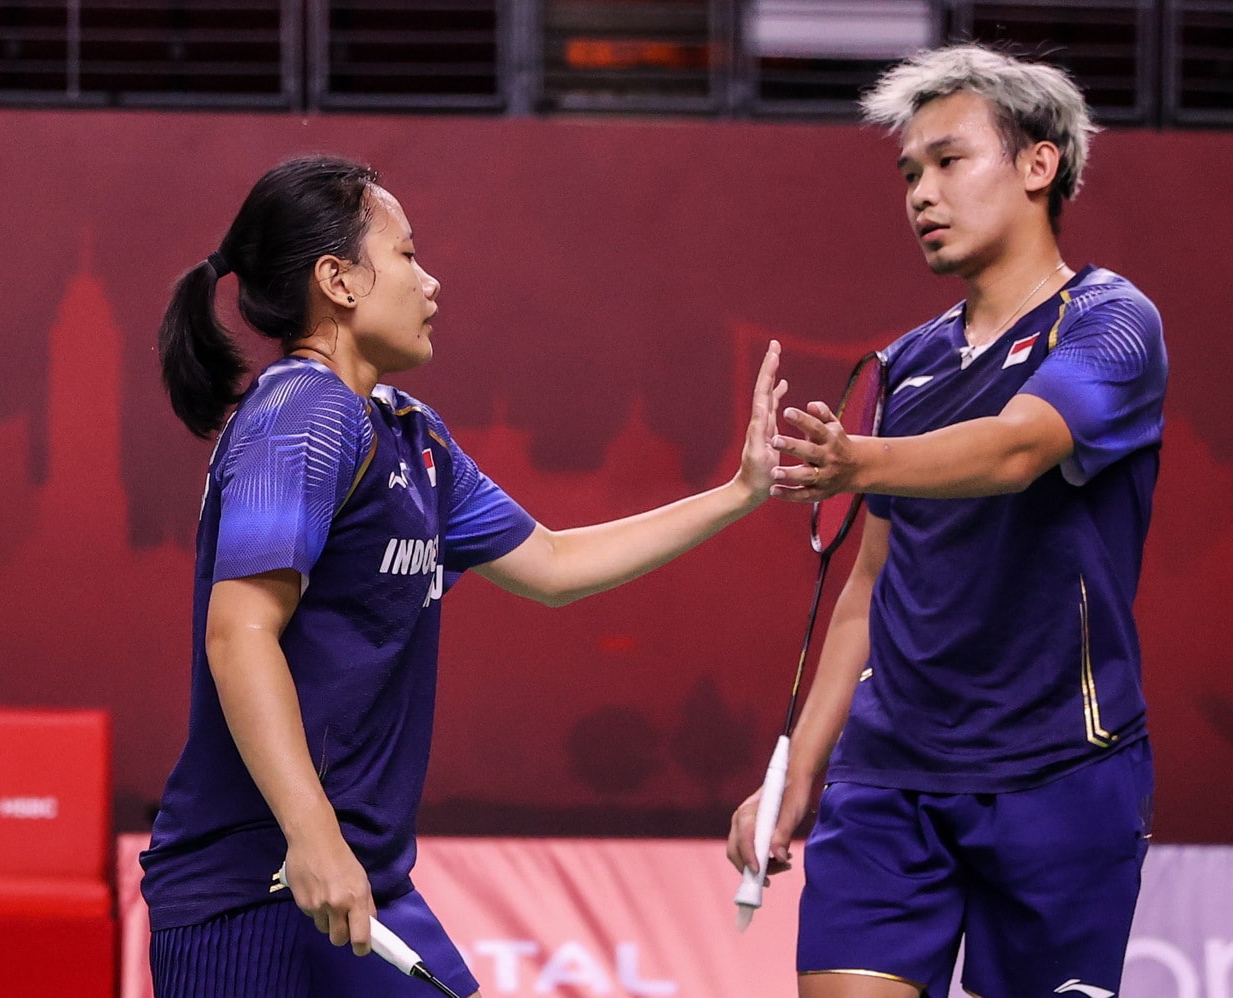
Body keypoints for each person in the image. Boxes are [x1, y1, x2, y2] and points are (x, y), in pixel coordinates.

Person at [142, 155, 786, 998]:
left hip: (361, 883)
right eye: (407, 255)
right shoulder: (300, 412)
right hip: (257, 888)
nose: (431, 282)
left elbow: (553, 564)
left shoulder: (411, 435)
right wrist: (312, 835)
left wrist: (738, 494)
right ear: (338, 280)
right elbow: (239, 634)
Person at [728, 44, 1167, 998]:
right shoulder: (909, 365)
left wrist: (858, 462)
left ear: (1039, 164)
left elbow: (1017, 450)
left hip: (1061, 768)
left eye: (949, 160)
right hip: (890, 772)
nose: (921, 193)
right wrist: (799, 772)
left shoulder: (1111, 325)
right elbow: (870, 583)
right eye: (909, 174)